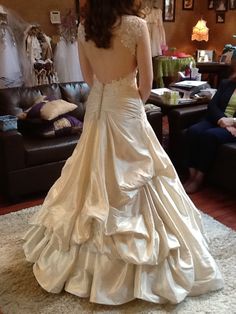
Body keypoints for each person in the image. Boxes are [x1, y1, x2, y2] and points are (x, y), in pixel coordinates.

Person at [23, 0, 223, 305]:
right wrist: (132, 104)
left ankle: (86, 259)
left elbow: (89, 77)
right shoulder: (136, 25)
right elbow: (147, 82)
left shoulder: (84, 28)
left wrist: (107, 92)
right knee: (139, 175)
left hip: (99, 105)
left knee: (90, 172)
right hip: (126, 105)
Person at [184, 60, 236, 194]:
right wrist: (222, 120)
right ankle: (191, 174)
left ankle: (198, 179)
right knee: (193, 131)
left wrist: (232, 122)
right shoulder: (227, 83)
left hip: (234, 127)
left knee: (210, 136)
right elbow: (212, 105)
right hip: (217, 120)